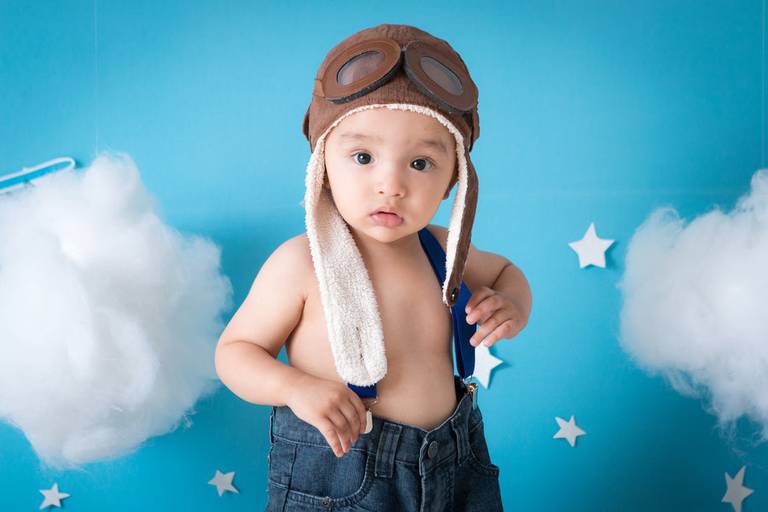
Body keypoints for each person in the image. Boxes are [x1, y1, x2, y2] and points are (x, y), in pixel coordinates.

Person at [215, 23, 532, 512]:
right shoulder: (302, 262)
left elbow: (507, 270)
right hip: (342, 470)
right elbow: (235, 353)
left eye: (420, 164)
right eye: (363, 156)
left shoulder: (440, 248)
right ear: (323, 166)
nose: (391, 184)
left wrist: (510, 305)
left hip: (453, 459)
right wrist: (294, 387)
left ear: (454, 180)